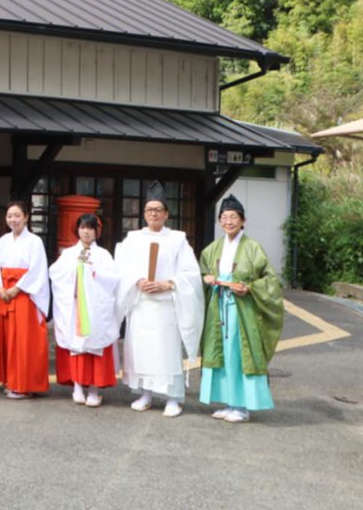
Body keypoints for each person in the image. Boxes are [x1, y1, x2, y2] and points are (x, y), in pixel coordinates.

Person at [115, 181, 204, 418]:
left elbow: (191, 273)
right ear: (144, 213)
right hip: (142, 303)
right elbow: (122, 267)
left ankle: (173, 397)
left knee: (166, 352)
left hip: (166, 304)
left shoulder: (177, 239)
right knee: (141, 351)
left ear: (166, 214)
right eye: (149, 210)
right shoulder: (133, 238)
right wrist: (137, 280)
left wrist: (168, 283)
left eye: (158, 209)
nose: (153, 213)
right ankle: (145, 393)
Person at [199, 195, 284, 423]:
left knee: (238, 354)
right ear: (219, 221)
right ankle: (228, 402)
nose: (228, 221)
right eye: (224, 217)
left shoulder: (253, 248)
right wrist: (206, 279)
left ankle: (242, 406)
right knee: (222, 355)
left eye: (233, 217)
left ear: (243, 220)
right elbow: (200, 275)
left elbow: (271, 281)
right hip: (218, 307)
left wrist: (249, 288)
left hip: (241, 310)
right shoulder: (211, 250)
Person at [49, 213, 121, 408]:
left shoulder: (104, 255)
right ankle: (78, 386)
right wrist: (75, 272)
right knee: (77, 345)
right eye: (82, 227)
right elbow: (55, 273)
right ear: (77, 230)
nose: (86, 231)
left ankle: (95, 389)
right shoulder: (69, 253)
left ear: (97, 231)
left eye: (90, 228)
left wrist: (95, 273)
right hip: (75, 304)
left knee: (95, 344)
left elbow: (114, 279)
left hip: (96, 307)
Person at [0, 200, 50, 399]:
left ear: (26, 217)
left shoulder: (35, 241)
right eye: (9, 216)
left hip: (24, 295)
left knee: (23, 341)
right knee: (6, 339)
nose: (13, 219)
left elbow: (37, 270)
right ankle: (10, 380)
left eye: (17, 215)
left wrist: (16, 288)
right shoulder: (3, 241)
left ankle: (23, 384)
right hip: (4, 293)